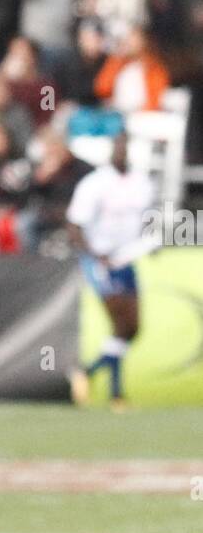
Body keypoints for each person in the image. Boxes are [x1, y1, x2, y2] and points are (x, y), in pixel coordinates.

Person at [67, 129, 154, 407]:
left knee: (133, 328)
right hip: (102, 261)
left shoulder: (143, 183)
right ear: (111, 150)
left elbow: (147, 219)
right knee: (120, 324)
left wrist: (150, 243)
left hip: (126, 259)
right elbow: (75, 226)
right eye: (119, 146)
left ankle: (86, 373)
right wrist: (95, 255)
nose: (123, 152)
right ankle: (116, 394)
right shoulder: (95, 184)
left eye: (127, 146)